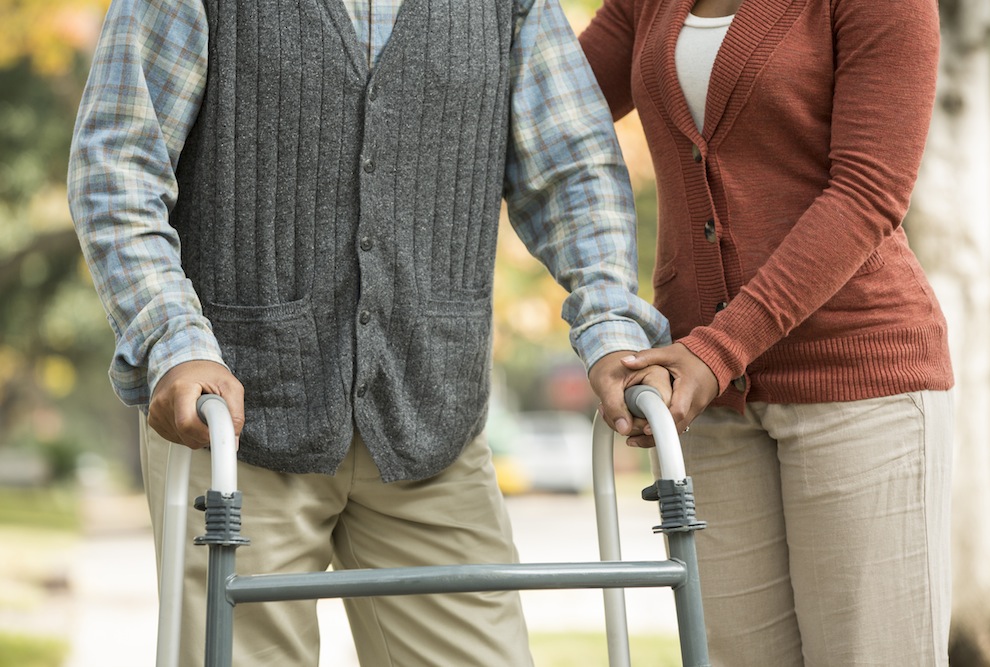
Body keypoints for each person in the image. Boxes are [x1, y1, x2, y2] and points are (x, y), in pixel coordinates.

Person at [67, 0, 675, 664]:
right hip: (235, 418)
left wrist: (611, 324)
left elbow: (572, 169)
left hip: (431, 416)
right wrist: (172, 339)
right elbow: (118, 166)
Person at [579, 0, 954, 665]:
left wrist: (716, 349)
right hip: (709, 400)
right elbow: (549, 104)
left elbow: (869, 190)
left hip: (855, 384)